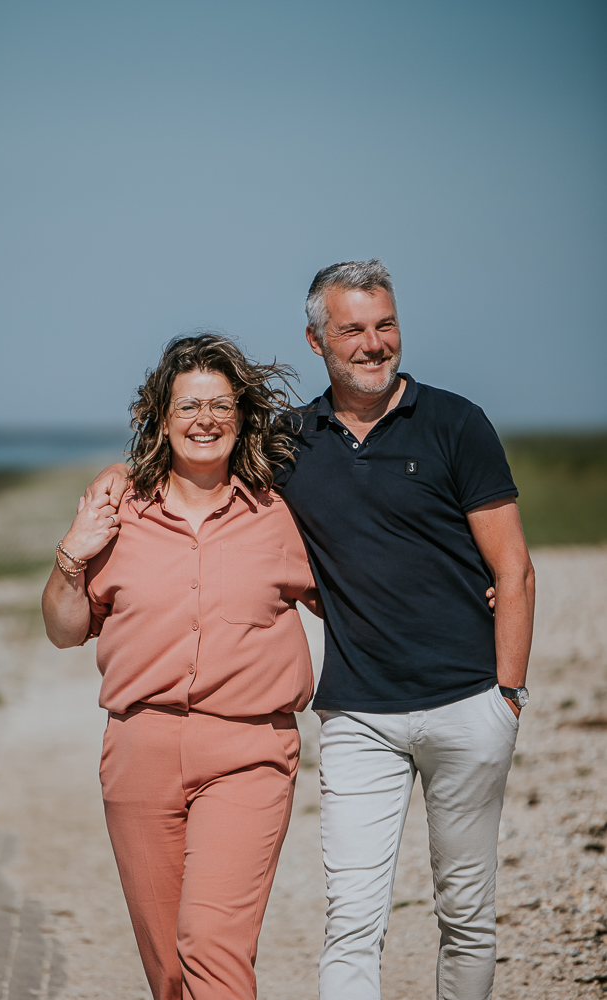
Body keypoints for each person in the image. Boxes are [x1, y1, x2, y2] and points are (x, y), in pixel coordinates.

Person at [87, 259, 535, 1000]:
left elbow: (512, 569)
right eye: (351, 328)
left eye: (384, 324)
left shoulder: (457, 422)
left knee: (465, 914)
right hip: (357, 714)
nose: (372, 342)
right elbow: (198, 456)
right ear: (315, 339)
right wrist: (117, 474)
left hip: (468, 703)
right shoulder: (290, 447)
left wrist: (507, 695)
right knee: (351, 921)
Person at [41, 334, 322, 1000]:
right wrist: (71, 557)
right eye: (188, 405)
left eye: (220, 404)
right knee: (169, 971)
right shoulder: (117, 512)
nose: (204, 419)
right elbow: (62, 631)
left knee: (211, 946)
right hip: (139, 750)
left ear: (242, 415)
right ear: (161, 420)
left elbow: (361, 595)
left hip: (248, 751)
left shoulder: (281, 514)